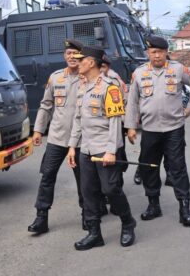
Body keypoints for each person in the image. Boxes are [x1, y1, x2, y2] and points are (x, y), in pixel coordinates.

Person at [125, 35, 190, 227]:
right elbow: (132, 101)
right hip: (149, 130)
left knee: (178, 168)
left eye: (160, 52)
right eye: (153, 52)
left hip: (174, 128)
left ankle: (184, 208)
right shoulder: (139, 73)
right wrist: (131, 126)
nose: (157, 55)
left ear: (167, 52)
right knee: (149, 167)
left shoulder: (177, 69)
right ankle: (153, 205)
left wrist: (189, 109)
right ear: (147, 53)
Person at [67, 46, 136, 250]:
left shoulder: (110, 87)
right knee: (88, 192)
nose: (77, 63)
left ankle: (128, 223)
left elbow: (115, 122)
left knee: (111, 189)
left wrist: (111, 151)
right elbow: (78, 120)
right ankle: (94, 233)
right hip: (85, 149)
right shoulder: (83, 86)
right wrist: (72, 147)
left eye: (81, 60)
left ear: (91, 62)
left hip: (104, 148)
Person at [27, 39, 95, 234]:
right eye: (68, 53)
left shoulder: (89, 78)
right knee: (47, 176)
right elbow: (46, 105)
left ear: (82, 56)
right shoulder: (56, 78)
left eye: (75, 53)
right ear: (64, 56)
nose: (72, 57)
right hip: (57, 137)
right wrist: (38, 130)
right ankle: (41, 218)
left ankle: (88, 216)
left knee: (84, 179)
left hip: (82, 140)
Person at [101, 54, 129, 191]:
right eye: (98, 66)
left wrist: (126, 125)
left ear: (108, 67)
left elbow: (125, 102)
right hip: (97, 130)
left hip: (116, 126)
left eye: (103, 67)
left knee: (116, 158)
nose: (100, 70)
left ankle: (117, 188)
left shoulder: (115, 81)